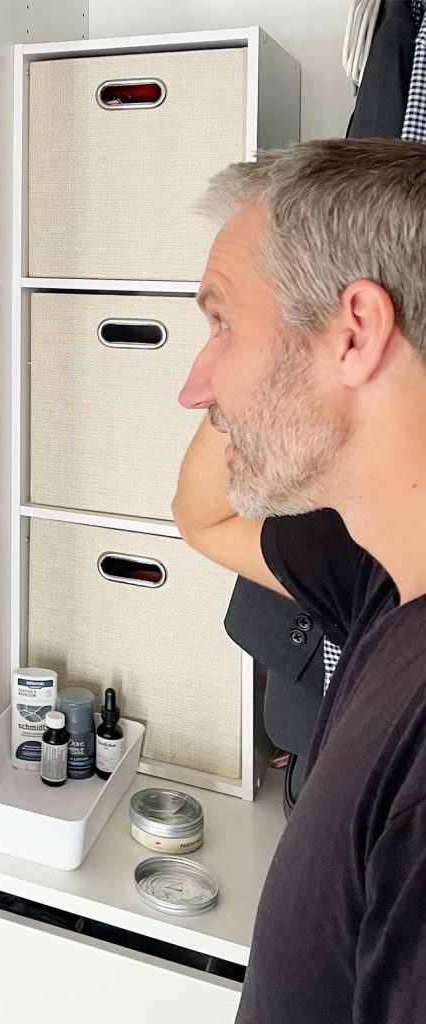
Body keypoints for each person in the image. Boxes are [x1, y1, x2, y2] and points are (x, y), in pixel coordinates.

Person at [170, 139, 426, 1024]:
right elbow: (202, 516)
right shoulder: (381, 578)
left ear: (353, 331)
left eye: (221, 324)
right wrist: (259, 399)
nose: (193, 389)